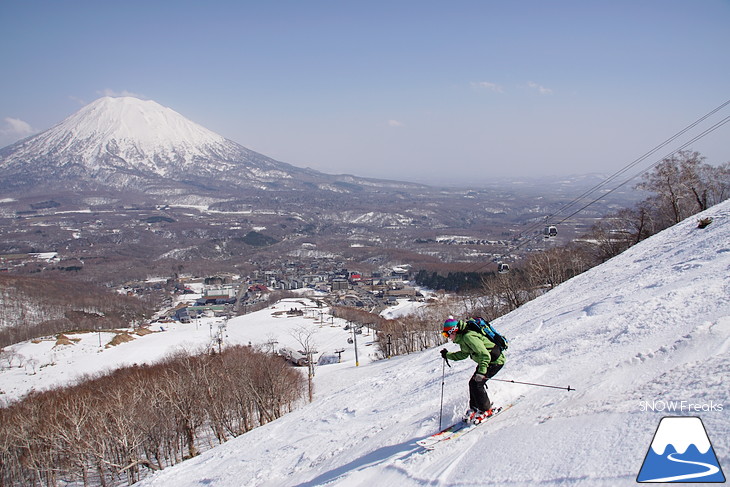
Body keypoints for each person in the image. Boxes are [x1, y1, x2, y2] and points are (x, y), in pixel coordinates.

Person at [440, 316, 505, 424]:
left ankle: (486, 410)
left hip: (495, 361)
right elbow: (464, 354)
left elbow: (485, 355)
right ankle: (475, 408)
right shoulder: (462, 338)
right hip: (486, 362)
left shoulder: (469, 337)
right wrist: (448, 355)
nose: (448, 337)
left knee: (477, 384)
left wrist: (481, 372)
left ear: (453, 331)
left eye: (447, 334)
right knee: (472, 383)